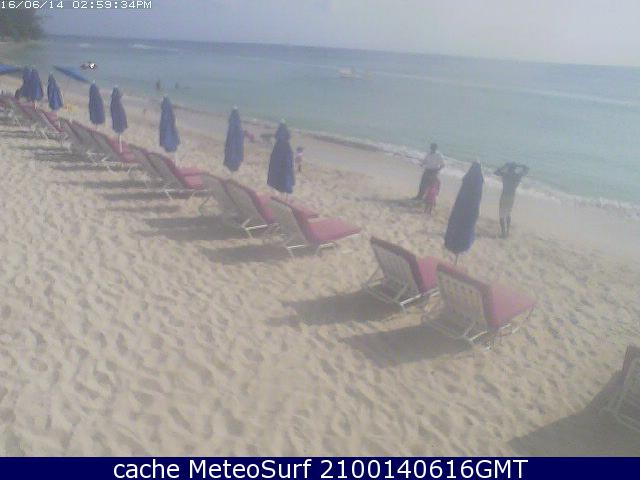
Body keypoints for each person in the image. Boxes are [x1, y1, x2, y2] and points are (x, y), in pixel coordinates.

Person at [495, 162, 529, 238]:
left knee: (501, 215)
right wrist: (520, 165)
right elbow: (527, 169)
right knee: (508, 214)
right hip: (511, 197)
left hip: (504, 196)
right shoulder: (517, 176)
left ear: (508, 168)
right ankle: (507, 232)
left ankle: (503, 233)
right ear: (515, 169)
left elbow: (496, 172)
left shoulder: (505, 175)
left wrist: (505, 165)